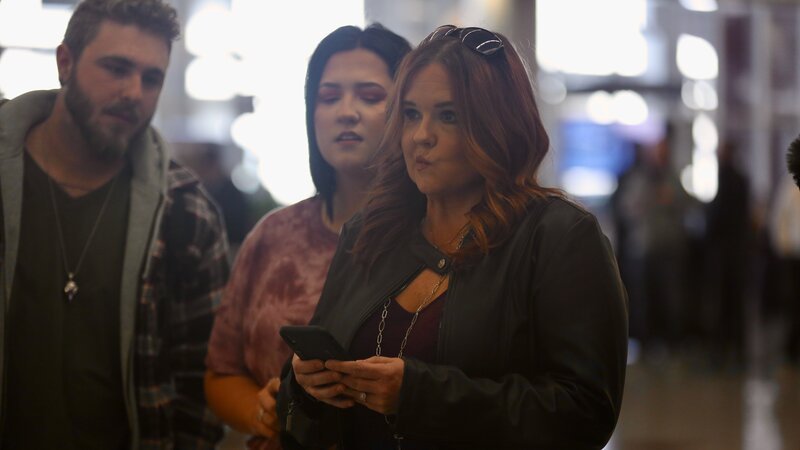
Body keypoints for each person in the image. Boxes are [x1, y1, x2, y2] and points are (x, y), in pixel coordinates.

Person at [277, 25, 628, 449]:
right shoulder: (369, 231)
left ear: (495, 125)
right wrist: (305, 384)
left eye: (449, 116)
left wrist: (422, 396)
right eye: (410, 114)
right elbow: (316, 382)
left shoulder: (558, 237)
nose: (421, 135)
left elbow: (586, 411)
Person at [0, 0, 229, 448]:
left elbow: (199, 388)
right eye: (116, 67)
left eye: (151, 78)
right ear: (65, 62)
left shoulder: (186, 214)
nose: (133, 92)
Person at [204, 24, 411, 449]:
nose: (346, 111)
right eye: (328, 96)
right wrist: (259, 411)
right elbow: (220, 371)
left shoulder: (433, 242)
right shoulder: (274, 236)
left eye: (370, 96)